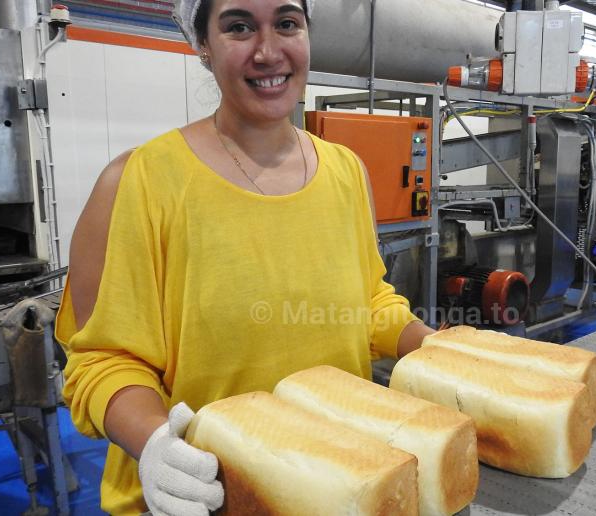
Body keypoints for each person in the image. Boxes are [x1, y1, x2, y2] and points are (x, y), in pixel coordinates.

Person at [54, 0, 435, 514]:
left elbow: (366, 303)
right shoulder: (137, 182)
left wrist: (437, 348)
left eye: (286, 24)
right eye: (239, 27)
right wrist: (156, 444)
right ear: (203, 46)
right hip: (203, 492)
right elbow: (101, 361)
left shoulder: (346, 170)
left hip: (343, 480)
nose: (268, 51)